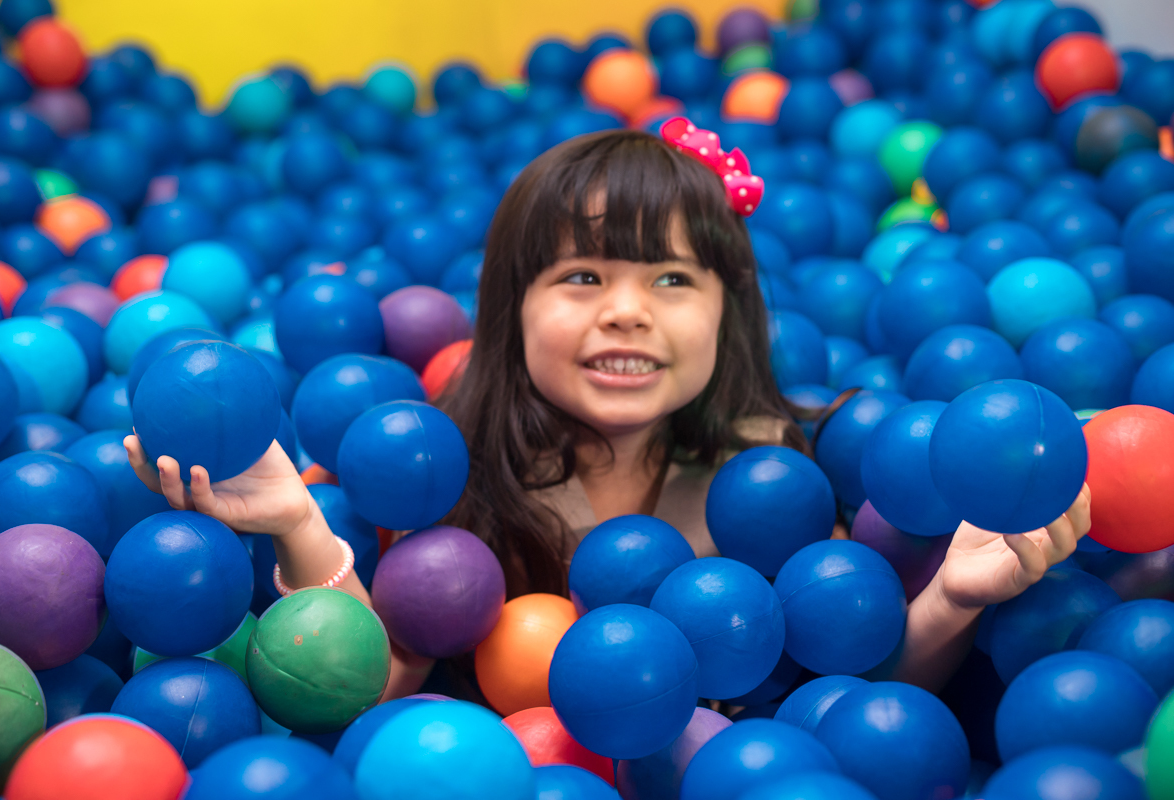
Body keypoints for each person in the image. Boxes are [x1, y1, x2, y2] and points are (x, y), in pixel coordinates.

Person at [125, 124, 1090, 700]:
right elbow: (374, 691)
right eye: (582, 276)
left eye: (671, 278)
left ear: (726, 313)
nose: (627, 310)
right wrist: (299, 523)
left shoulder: (781, 470)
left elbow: (853, 695)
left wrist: (950, 599)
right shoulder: (443, 475)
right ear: (511, 309)